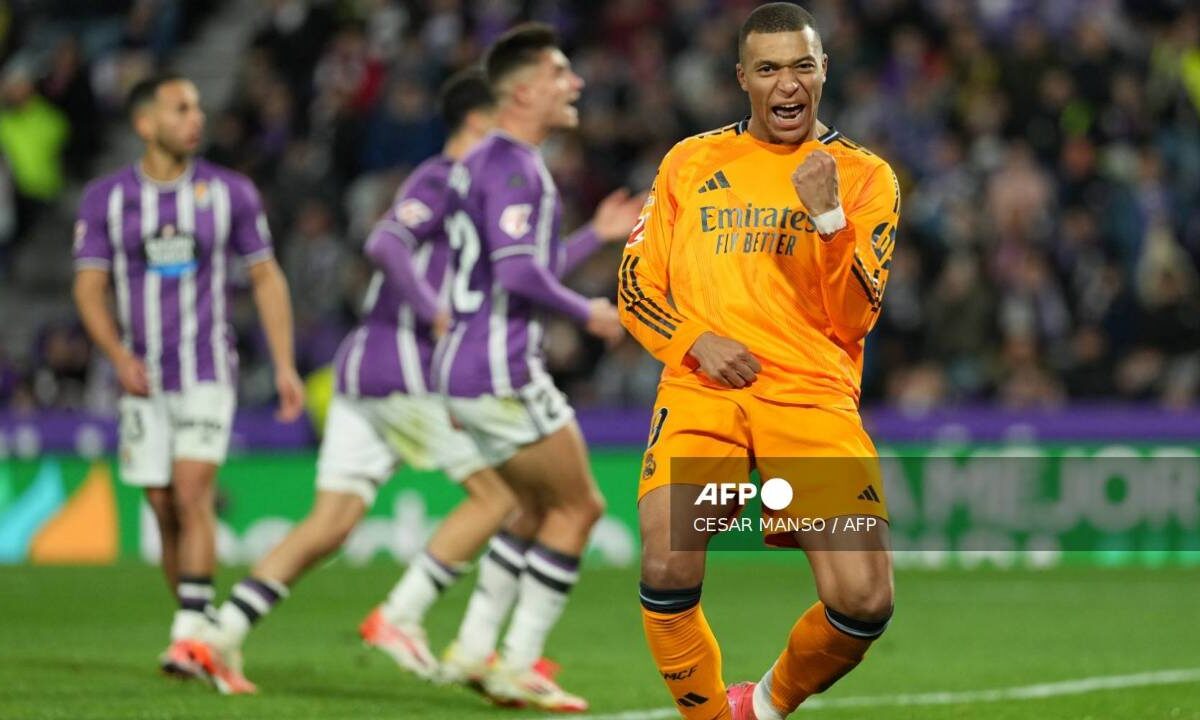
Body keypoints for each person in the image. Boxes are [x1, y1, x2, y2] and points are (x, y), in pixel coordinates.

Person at [172, 68, 505, 694]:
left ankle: (218, 637)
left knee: (331, 523)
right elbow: (384, 242)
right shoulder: (445, 176)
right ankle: (403, 616)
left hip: (362, 368)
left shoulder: (470, 187)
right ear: (480, 120)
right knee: (502, 495)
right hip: (402, 368)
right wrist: (431, 306)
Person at [619, 5, 899, 719]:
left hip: (810, 398)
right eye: (769, 68)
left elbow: (857, 316)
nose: (787, 83)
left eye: (802, 66)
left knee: (863, 602)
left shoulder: (865, 177)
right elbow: (634, 287)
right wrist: (694, 340)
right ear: (742, 77)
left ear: (824, 71)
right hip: (704, 389)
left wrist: (830, 221)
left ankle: (764, 706)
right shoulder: (690, 162)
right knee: (667, 559)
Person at [431, 23, 642, 711]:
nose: (574, 83)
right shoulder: (520, 167)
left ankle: (472, 647)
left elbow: (509, 269)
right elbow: (520, 275)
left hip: (464, 366)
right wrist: (590, 313)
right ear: (523, 92)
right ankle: (517, 663)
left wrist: (592, 236)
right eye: (559, 73)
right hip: (499, 369)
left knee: (529, 508)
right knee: (580, 507)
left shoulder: (485, 163)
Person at [71, 73, 304, 677]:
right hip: (141, 376)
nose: (195, 118)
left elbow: (265, 275)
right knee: (161, 504)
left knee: (193, 489)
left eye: (198, 107)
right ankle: (200, 633)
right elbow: (89, 288)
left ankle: (185, 632)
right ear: (145, 124)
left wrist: (283, 363)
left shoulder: (232, 193)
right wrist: (117, 355)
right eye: (180, 109)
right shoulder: (106, 200)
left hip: (207, 368)